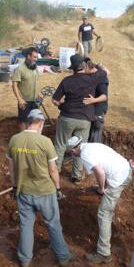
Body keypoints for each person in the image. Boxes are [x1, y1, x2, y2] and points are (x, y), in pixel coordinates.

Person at [6, 109, 75, 267]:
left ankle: (24, 259)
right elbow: (53, 170)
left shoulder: (14, 140)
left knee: (25, 225)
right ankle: (63, 257)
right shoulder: (45, 142)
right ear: (40, 123)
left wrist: (14, 186)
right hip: (45, 192)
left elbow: (12, 168)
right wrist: (58, 188)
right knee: (52, 223)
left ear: (28, 122)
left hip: (23, 191)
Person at [67, 136, 132, 264]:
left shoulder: (85, 155)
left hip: (119, 179)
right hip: (126, 169)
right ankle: (103, 188)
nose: (72, 155)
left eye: (71, 152)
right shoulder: (92, 145)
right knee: (103, 181)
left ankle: (104, 253)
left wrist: (102, 189)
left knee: (104, 214)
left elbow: (100, 173)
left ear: (74, 150)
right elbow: (102, 168)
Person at [52, 54, 104, 184]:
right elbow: (104, 71)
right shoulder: (91, 79)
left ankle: (55, 171)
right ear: (84, 66)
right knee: (81, 147)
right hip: (85, 119)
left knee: (60, 144)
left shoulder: (67, 81)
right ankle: (76, 176)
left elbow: (54, 100)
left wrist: (62, 105)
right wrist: (94, 65)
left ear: (73, 68)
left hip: (67, 117)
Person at [11, 47, 41, 131]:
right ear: (28, 56)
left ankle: (32, 139)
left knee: (34, 120)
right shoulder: (20, 69)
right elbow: (14, 85)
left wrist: (38, 94)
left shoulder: (35, 68)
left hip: (35, 101)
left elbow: (34, 82)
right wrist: (19, 99)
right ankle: (23, 138)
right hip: (24, 101)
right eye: (34, 57)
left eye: (36, 57)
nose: (36, 59)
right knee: (23, 121)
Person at [83, 58, 109, 143]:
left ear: (87, 67)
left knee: (95, 138)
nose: (82, 71)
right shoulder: (90, 75)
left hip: (98, 110)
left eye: (83, 68)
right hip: (90, 110)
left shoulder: (101, 77)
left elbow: (104, 96)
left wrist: (93, 100)